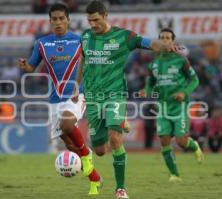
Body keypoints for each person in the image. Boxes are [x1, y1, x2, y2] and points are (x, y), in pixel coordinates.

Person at [73, 1, 177, 198]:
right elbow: (83, 60)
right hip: (93, 98)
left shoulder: (123, 36)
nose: (92, 24)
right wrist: (76, 85)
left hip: (115, 95)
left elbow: (146, 42)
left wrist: (164, 46)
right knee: (100, 149)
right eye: (89, 21)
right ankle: (120, 121)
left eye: (96, 20)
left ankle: (120, 189)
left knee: (115, 139)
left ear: (105, 16)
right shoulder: (85, 37)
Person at [18, 3, 102, 195]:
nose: (57, 22)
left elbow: (93, 62)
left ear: (68, 20)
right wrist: (25, 66)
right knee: (70, 145)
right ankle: (95, 180)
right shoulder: (42, 44)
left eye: (61, 18)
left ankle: (87, 154)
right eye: (54, 19)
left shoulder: (80, 40)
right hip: (55, 100)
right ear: (49, 21)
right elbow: (32, 67)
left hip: (76, 94)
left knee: (66, 124)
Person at [143, 28, 204, 182]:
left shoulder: (181, 60)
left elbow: (195, 80)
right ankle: (174, 174)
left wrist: (184, 92)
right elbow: (150, 83)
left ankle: (194, 146)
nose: (164, 40)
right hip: (162, 107)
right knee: (164, 140)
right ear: (158, 41)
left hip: (179, 106)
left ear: (172, 41)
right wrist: (147, 90)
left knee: (181, 142)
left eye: (168, 37)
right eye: (162, 37)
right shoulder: (154, 64)